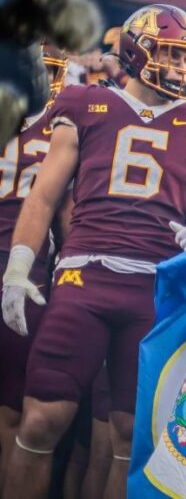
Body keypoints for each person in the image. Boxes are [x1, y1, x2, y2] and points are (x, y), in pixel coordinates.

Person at [1, 5, 186, 499]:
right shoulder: (84, 102)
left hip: (157, 288)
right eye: (173, 56)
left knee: (129, 439)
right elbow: (45, 195)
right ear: (138, 51)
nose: (182, 69)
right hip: (84, 276)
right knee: (41, 419)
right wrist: (19, 266)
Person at [0, 48, 65, 489]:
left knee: (13, 410)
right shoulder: (64, 126)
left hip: (25, 268)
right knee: (12, 413)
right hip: (28, 269)